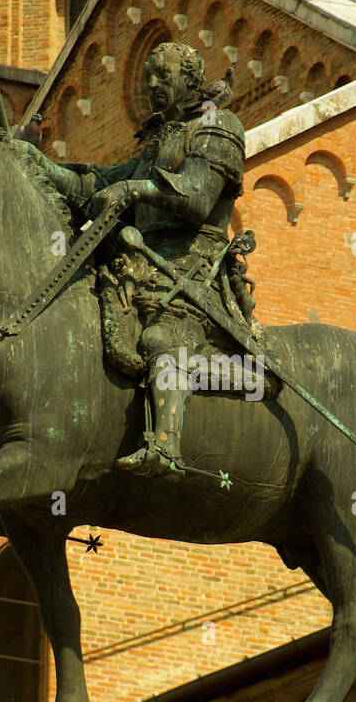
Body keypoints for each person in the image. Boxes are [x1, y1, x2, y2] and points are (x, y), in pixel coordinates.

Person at [74, 41, 250, 477]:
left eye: (162, 75)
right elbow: (98, 182)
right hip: (139, 262)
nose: (151, 84)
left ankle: (165, 448)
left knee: (160, 340)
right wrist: (35, 165)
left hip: (191, 270)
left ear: (190, 79)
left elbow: (196, 197)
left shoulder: (218, 124)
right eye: (147, 75)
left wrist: (131, 191)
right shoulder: (159, 141)